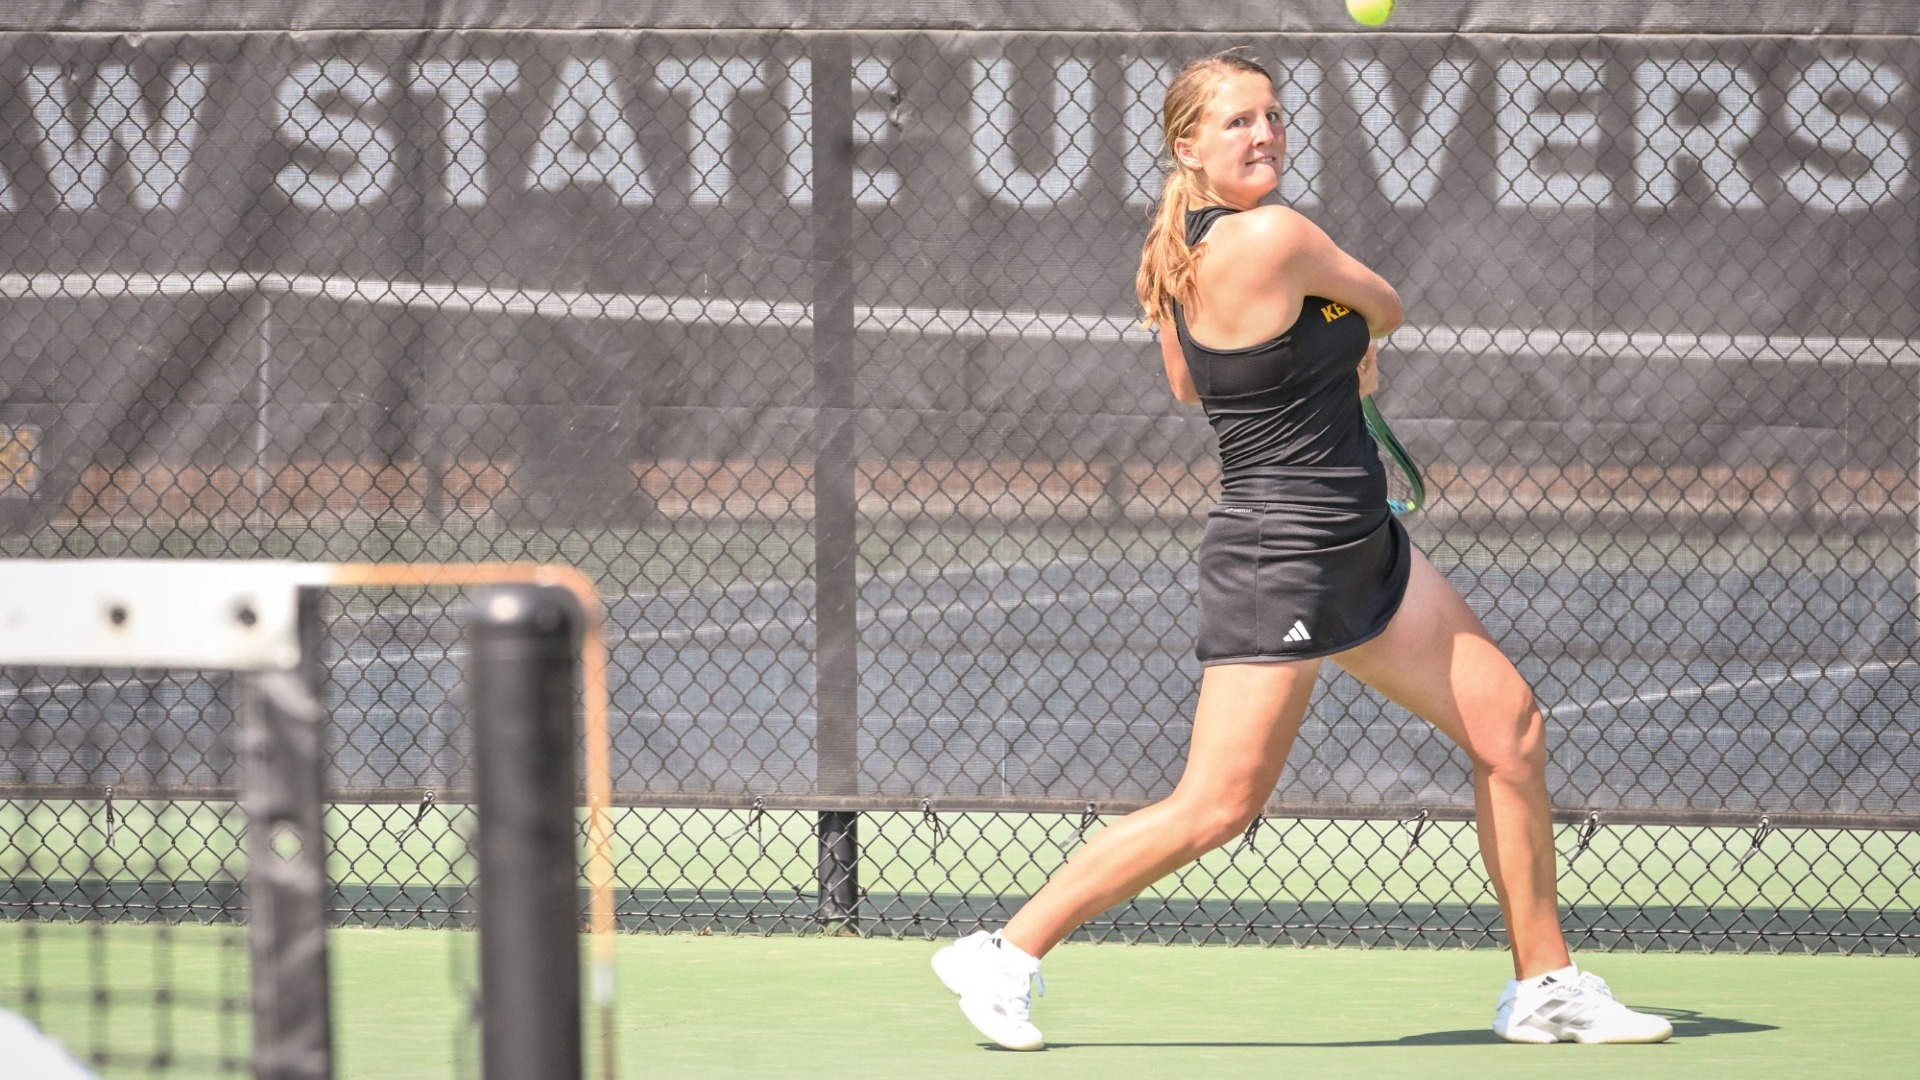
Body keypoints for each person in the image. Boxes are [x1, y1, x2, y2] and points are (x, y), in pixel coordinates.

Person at [931, 50, 1673, 1051]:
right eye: (1238, 121)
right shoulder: (1277, 233)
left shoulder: (1176, 258)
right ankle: (1005, 952)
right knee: (1218, 806)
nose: (1265, 133)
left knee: (1512, 736)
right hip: (1282, 553)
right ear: (1187, 145)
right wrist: (1349, 333)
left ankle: (1546, 986)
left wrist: (1321, 348)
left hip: (1361, 544)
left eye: (1274, 116)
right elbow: (1389, 303)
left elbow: (1196, 386)